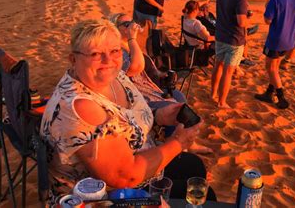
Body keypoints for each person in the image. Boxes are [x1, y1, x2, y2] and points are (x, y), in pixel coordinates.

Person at [40, 19, 213, 201]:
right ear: (73, 59)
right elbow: (125, 176)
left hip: (141, 159)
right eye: (95, 54)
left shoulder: (117, 76)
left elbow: (127, 119)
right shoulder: (81, 107)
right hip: (104, 195)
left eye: (114, 51)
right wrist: (179, 142)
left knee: (195, 168)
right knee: (204, 193)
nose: (108, 61)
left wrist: (159, 116)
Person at [110, 12, 213, 154]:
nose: (132, 26)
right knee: (173, 106)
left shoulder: (129, 45)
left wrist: (159, 74)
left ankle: (186, 141)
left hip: (150, 86)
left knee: (179, 97)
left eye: (132, 22)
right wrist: (133, 39)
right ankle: (177, 144)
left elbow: (147, 67)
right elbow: (134, 68)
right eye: (126, 24)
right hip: (136, 95)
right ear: (116, 29)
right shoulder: (117, 50)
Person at [254, 0, 295, 109]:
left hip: (276, 39)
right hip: (289, 40)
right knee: (275, 66)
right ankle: (269, 93)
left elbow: (267, 21)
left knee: (270, 68)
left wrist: (266, 7)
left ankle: (281, 97)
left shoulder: (275, 0)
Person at [211, 0, 253, 108]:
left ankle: (213, 94)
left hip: (220, 35)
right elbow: (241, 22)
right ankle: (222, 102)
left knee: (218, 66)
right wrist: (249, 18)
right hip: (234, 40)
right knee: (228, 72)